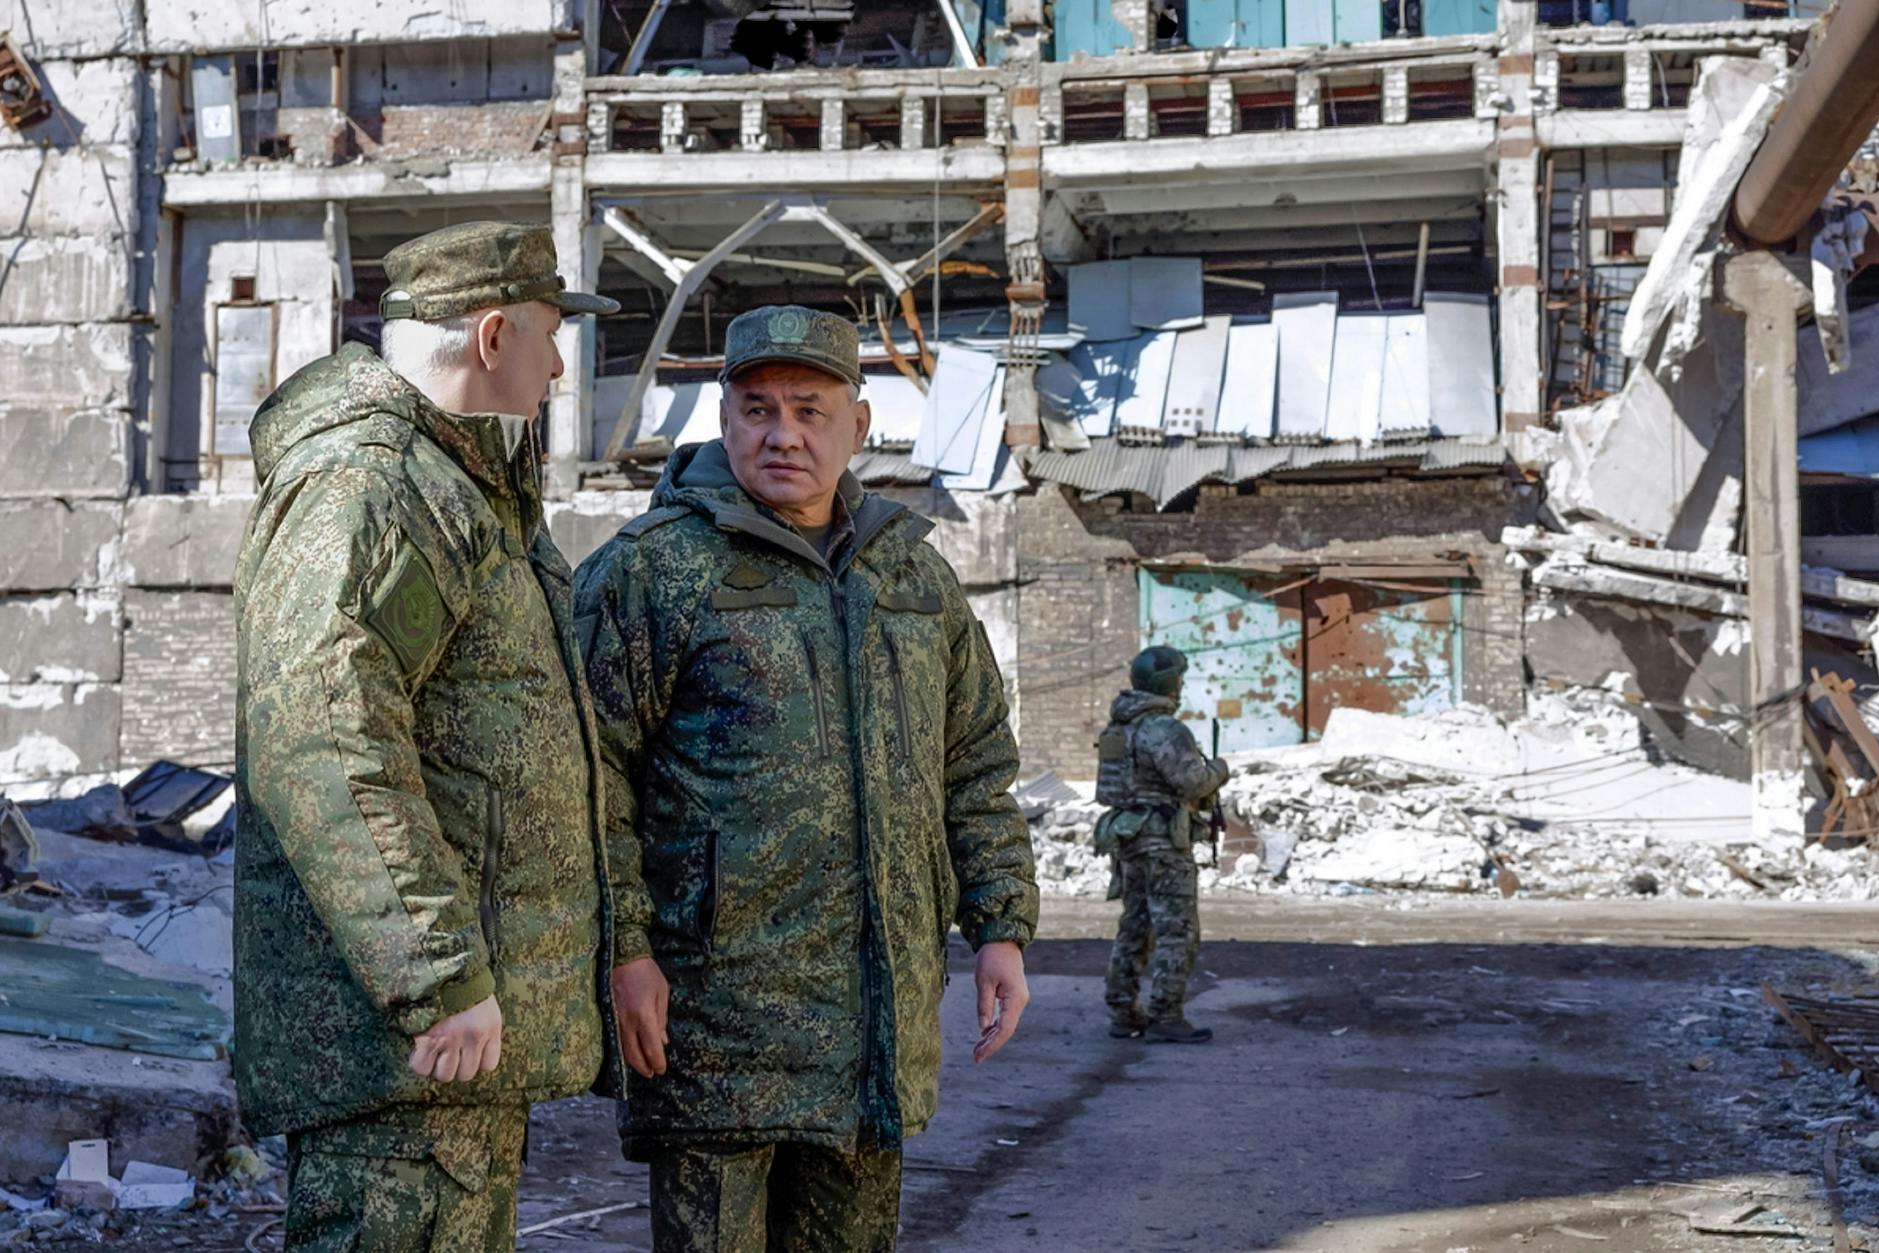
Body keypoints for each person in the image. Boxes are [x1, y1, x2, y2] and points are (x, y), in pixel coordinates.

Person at [575, 304, 1039, 1252]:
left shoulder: (912, 578)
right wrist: (623, 952)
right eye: (758, 408)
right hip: (713, 1029)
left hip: (868, 1035)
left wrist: (1000, 927)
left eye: (810, 409)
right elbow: (588, 783)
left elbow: (975, 762)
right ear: (723, 417)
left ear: (859, 426)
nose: (783, 432)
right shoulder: (654, 572)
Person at [232, 221, 625, 1251]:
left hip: (446, 1062)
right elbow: (319, 731)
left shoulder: (458, 488)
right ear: (492, 336)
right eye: (549, 336)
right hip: (405, 1057)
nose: (556, 362)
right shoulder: (373, 486)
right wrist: (434, 972)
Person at [1096, 645, 1230, 1044]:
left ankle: (1123, 1010)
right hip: (1162, 841)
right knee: (1177, 930)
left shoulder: (1116, 729)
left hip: (1128, 838)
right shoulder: (1163, 729)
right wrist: (1219, 770)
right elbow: (1194, 782)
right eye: (1180, 678)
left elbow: (1110, 788)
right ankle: (1166, 1015)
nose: (1182, 686)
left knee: (1135, 926)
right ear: (1168, 682)